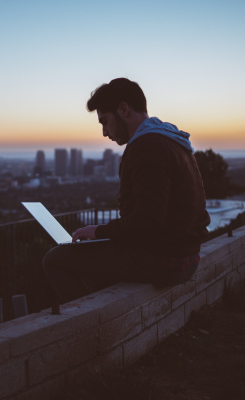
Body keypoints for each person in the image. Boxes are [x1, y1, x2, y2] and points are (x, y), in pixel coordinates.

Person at [43, 77, 211, 304]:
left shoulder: (147, 146)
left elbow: (148, 221)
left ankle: (90, 325)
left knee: (56, 259)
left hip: (166, 261)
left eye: (105, 121)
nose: (104, 132)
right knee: (96, 256)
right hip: (186, 256)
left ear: (123, 109)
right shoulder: (172, 140)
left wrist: (100, 232)